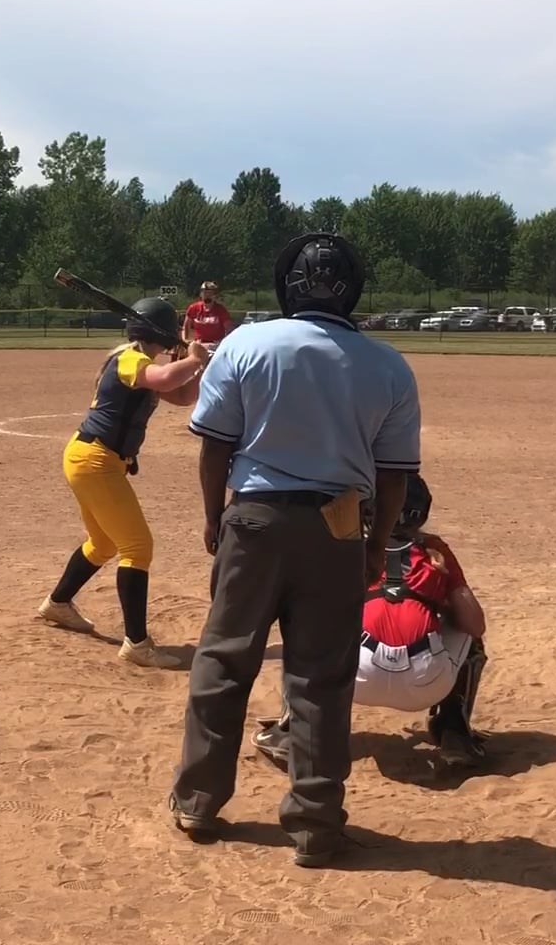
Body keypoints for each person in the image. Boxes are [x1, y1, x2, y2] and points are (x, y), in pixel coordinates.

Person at [167, 232, 422, 869]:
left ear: (287, 286)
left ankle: (198, 801)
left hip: (254, 518)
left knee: (224, 660)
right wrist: (376, 544)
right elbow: (395, 475)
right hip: (339, 525)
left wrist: (214, 520)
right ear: (352, 289)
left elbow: (216, 446)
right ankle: (315, 824)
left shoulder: (245, 344)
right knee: (321, 675)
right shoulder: (388, 365)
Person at [251, 473, 491, 770]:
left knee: (304, 623)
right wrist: (438, 604)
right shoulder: (436, 552)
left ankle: (292, 731)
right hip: (427, 681)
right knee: (469, 630)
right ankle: (455, 733)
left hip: (357, 678)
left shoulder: (348, 544)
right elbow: (475, 624)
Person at [38, 298, 211, 669]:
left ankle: (58, 603)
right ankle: (137, 643)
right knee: (137, 546)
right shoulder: (131, 359)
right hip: (95, 461)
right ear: (162, 332)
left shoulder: (141, 363)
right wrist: (194, 359)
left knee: (103, 544)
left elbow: (182, 395)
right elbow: (165, 379)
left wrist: (198, 368)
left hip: (94, 460)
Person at [181, 281, 235, 352]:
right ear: (201, 294)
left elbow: (229, 329)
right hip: (199, 343)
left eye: (210, 293)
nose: (207, 296)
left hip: (216, 344)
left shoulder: (221, 310)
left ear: (214, 295)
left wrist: (225, 344)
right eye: (205, 293)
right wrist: (186, 341)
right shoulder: (193, 308)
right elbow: (186, 326)